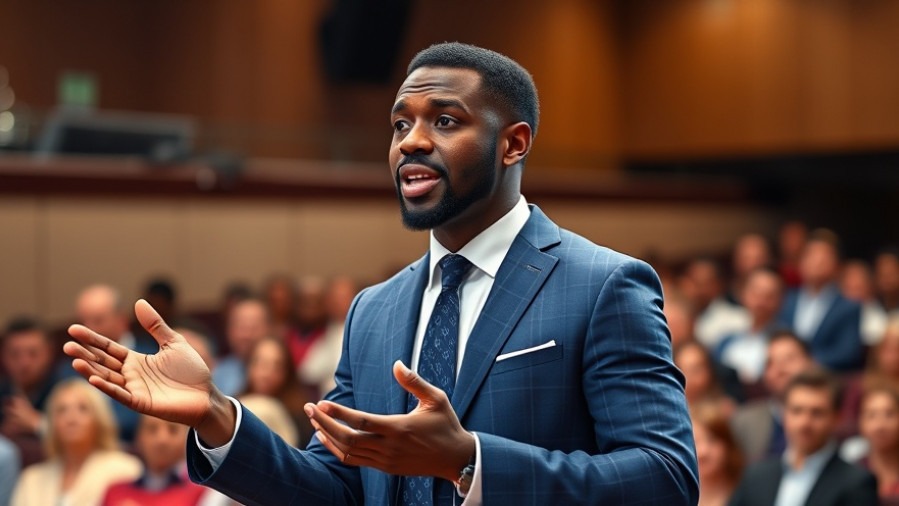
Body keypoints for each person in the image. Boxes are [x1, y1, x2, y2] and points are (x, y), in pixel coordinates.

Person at [64, 42, 698, 505]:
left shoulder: (603, 283)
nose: (410, 143)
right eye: (400, 124)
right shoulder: (376, 309)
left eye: (444, 121)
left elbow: (667, 478)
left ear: (513, 143)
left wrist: (470, 461)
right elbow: (334, 487)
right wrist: (216, 418)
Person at [728, 368, 877, 506]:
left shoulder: (856, 483)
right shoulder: (756, 475)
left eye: (817, 413)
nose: (804, 423)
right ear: (784, 414)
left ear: (836, 419)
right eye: (796, 411)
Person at [10, 379, 141, 506]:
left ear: (99, 419)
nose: (71, 418)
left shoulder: (125, 470)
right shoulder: (31, 478)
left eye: (82, 409)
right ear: (51, 422)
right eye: (62, 410)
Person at [76, 284, 157, 442]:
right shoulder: (70, 369)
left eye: (97, 320)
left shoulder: (151, 358)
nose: (88, 329)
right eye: (83, 322)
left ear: (122, 320)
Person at [778, 229, 865, 371]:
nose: (817, 262)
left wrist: (806, 363)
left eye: (824, 256)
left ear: (837, 265)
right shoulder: (786, 300)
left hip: (826, 378)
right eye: (811, 255)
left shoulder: (849, 306)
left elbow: (848, 352)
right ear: (801, 262)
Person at [731, 331, 815, 463]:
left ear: (811, 364)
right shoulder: (742, 421)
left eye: (789, 359)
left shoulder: (830, 415)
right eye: (770, 363)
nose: (779, 369)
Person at [101, 415, 207, 506]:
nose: (162, 439)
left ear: (186, 439)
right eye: (152, 429)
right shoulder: (115, 492)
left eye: (173, 429)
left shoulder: (200, 494)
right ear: (138, 438)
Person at [0, 316, 60, 467]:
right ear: (3, 356)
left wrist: (38, 424)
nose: (24, 363)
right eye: (15, 354)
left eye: (33, 354)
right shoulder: (3, 390)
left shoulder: (64, 388)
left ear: (49, 353)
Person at [715, 268, 785, 389]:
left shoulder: (786, 343)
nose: (761, 301)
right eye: (756, 293)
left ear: (781, 300)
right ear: (744, 294)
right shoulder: (726, 341)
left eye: (769, 296)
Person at [240, 336, 313, 447]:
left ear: (287, 373)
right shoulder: (234, 407)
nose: (267, 373)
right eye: (261, 363)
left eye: (277, 366)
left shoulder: (302, 416)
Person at [211, 298, 271, 397]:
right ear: (228, 330)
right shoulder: (217, 372)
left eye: (254, 327)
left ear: (269, 329)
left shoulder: (281, 370)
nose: (246, 335)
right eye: (241, 327)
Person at [691, 402, 743, 506]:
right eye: (694, 442)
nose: (703, 451)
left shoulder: (749, 490)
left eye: (712, 440)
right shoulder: (676, 494)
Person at [855, 385, 899, 504]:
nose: (880, 425)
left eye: (889, 414)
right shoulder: (850, 473)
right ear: (861, 423)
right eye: (871, 415)